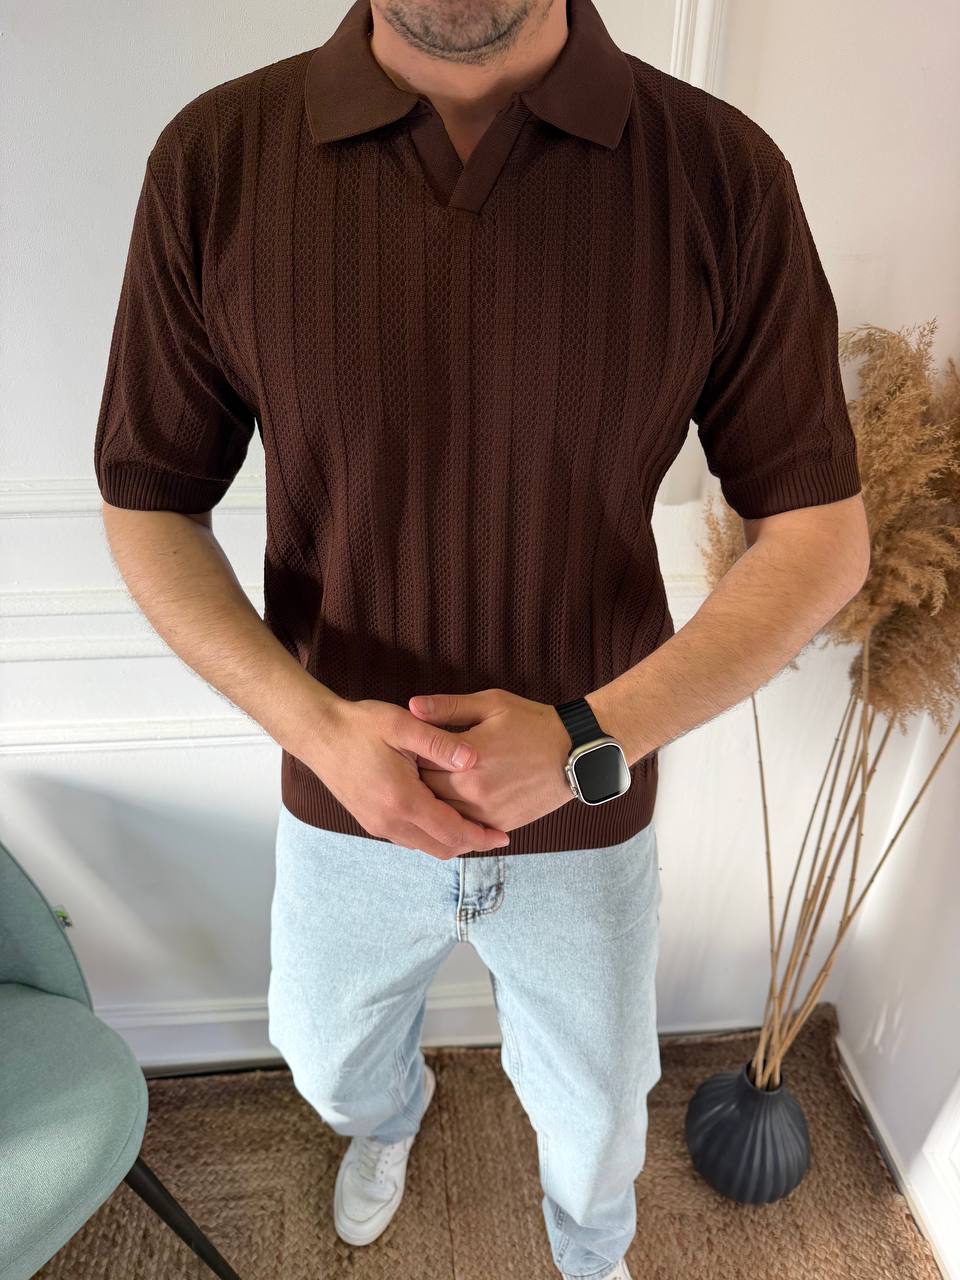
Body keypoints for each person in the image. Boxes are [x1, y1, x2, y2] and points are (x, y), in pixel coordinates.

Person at [93, 0, 870, 1274]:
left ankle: (591, 1249)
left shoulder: (721, 174)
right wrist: (319, 733)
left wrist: (583, 739)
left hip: (589, 802)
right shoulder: (216, 160)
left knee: (599, 1117)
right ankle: (392, 1117)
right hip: (342, 790)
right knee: (324, 1059)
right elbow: (148, 499)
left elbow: (821, 535)